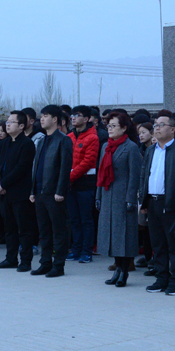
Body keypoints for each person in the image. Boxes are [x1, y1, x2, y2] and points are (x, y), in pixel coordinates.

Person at [140, 114, 175, 296]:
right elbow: (144, 176)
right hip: (153, 202)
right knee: (158, 244)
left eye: (161, 125)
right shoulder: (150, 150)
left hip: (172, 203)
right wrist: (143, 200)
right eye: (156, 124)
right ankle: (161, 278)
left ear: (172, 130)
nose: (157, 128)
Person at [97, 112, 142, 287]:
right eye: (108, 126)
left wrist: (131, 198)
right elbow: (101, 174)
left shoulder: (131, 147)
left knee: (124, 235)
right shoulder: (106, 146)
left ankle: (124, 270)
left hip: (123, 197)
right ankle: (117, 267)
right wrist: (98, 196)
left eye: (113, 126)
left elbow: (135, 176)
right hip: (108, 195)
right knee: (111, 235)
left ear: (124, 128)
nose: (110, 129)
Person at [30, 105, 73, 278]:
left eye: (46, 116)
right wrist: (33, 190)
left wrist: (60, 191)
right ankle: (45, 263)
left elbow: (65, 167)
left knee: (59, 230)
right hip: (40, 192)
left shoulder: (63, 140)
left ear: (55, 119)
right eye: (41, 116)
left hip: (54, 193)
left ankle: (58, 265)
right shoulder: (41, 140)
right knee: (44, 230)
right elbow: (36, 167)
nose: (42, 119)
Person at [0, 111, 38, 271]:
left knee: (24, 229)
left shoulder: (27, 144)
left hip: (19, 193)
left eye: (12, 122)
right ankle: (10, 258)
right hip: (3, 193)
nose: (7, 124)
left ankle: (25, 261)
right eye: (7, 121)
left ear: (21, 126)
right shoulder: (4, 143)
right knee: (9, 229)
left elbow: (21, 168)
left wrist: (4, 183)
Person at [66, 105, 100, 264]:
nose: (73, 118)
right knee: (74, 218)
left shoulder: (93, 137)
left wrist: (69, 177)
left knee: (86, 219)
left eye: (77, 115)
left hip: (85, 183)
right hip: (71, 184)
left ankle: (86, 251)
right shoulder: (69, 137)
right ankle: (76, 249)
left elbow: (88, 162)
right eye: (72, 115)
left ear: (86, 119)